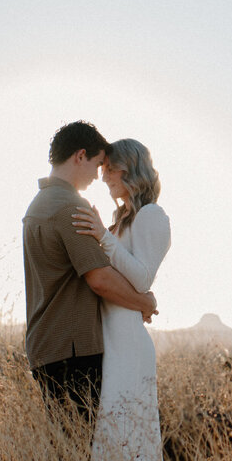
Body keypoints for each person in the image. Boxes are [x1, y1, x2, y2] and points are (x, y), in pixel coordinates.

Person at [22, 121, 157, 424]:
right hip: (73, 351)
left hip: (46, 346)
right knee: (83, 452)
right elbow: (100, 279)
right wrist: (145, 303)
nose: (99, 175)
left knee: (68, 451)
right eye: (98, 165)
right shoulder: (70, 207)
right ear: (80, 156)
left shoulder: (39, 204)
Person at [72, 138, 171, 461]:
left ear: (128, 169)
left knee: (130, 442)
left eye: (108, 168)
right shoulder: (121, 220)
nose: (103, 176)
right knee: (111, 440)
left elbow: (142, 278)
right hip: (108, 340)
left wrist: (101, 235)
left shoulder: (152, 217)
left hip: (128, 346)